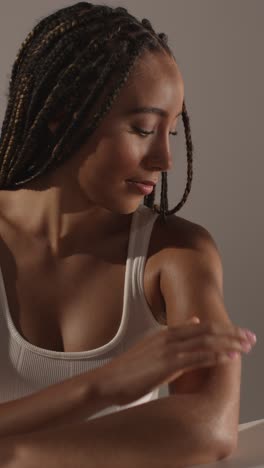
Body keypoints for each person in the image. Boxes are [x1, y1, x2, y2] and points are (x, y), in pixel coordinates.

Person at [0, 2, 256, 466]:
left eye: (171, 133)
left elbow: (210, 431)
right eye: (143, 129)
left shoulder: (175, 254)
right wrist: (102, 386)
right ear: (61, 114)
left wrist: (12, 454)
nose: (165, 160)